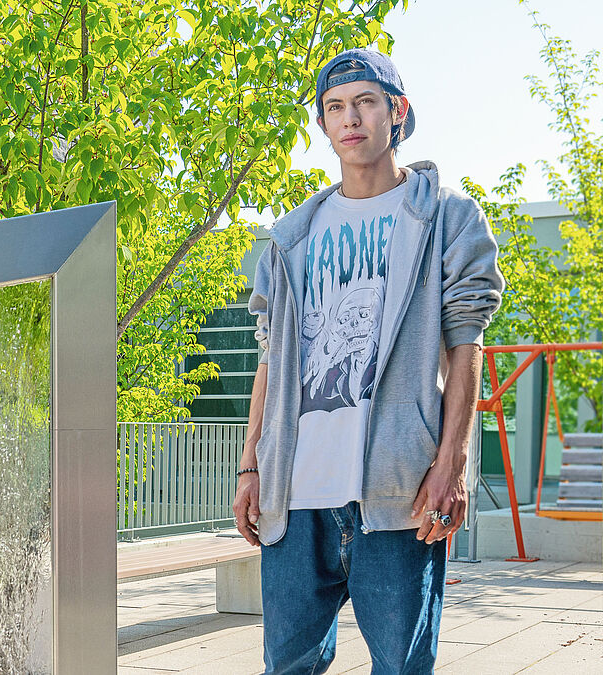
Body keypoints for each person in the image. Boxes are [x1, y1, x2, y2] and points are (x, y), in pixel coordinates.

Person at [232, 48, 504, 674]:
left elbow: (466, 346)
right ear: (322, 125)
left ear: (397, 112)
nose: (349, 118)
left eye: (365, 102)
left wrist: (452, 464)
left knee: (403, 668)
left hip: (399, 491)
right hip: (295, 493)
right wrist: (251, 464)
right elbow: (270, 360)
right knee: (286, 668)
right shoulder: (291, 237)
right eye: (334, 107)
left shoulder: (446, 218)